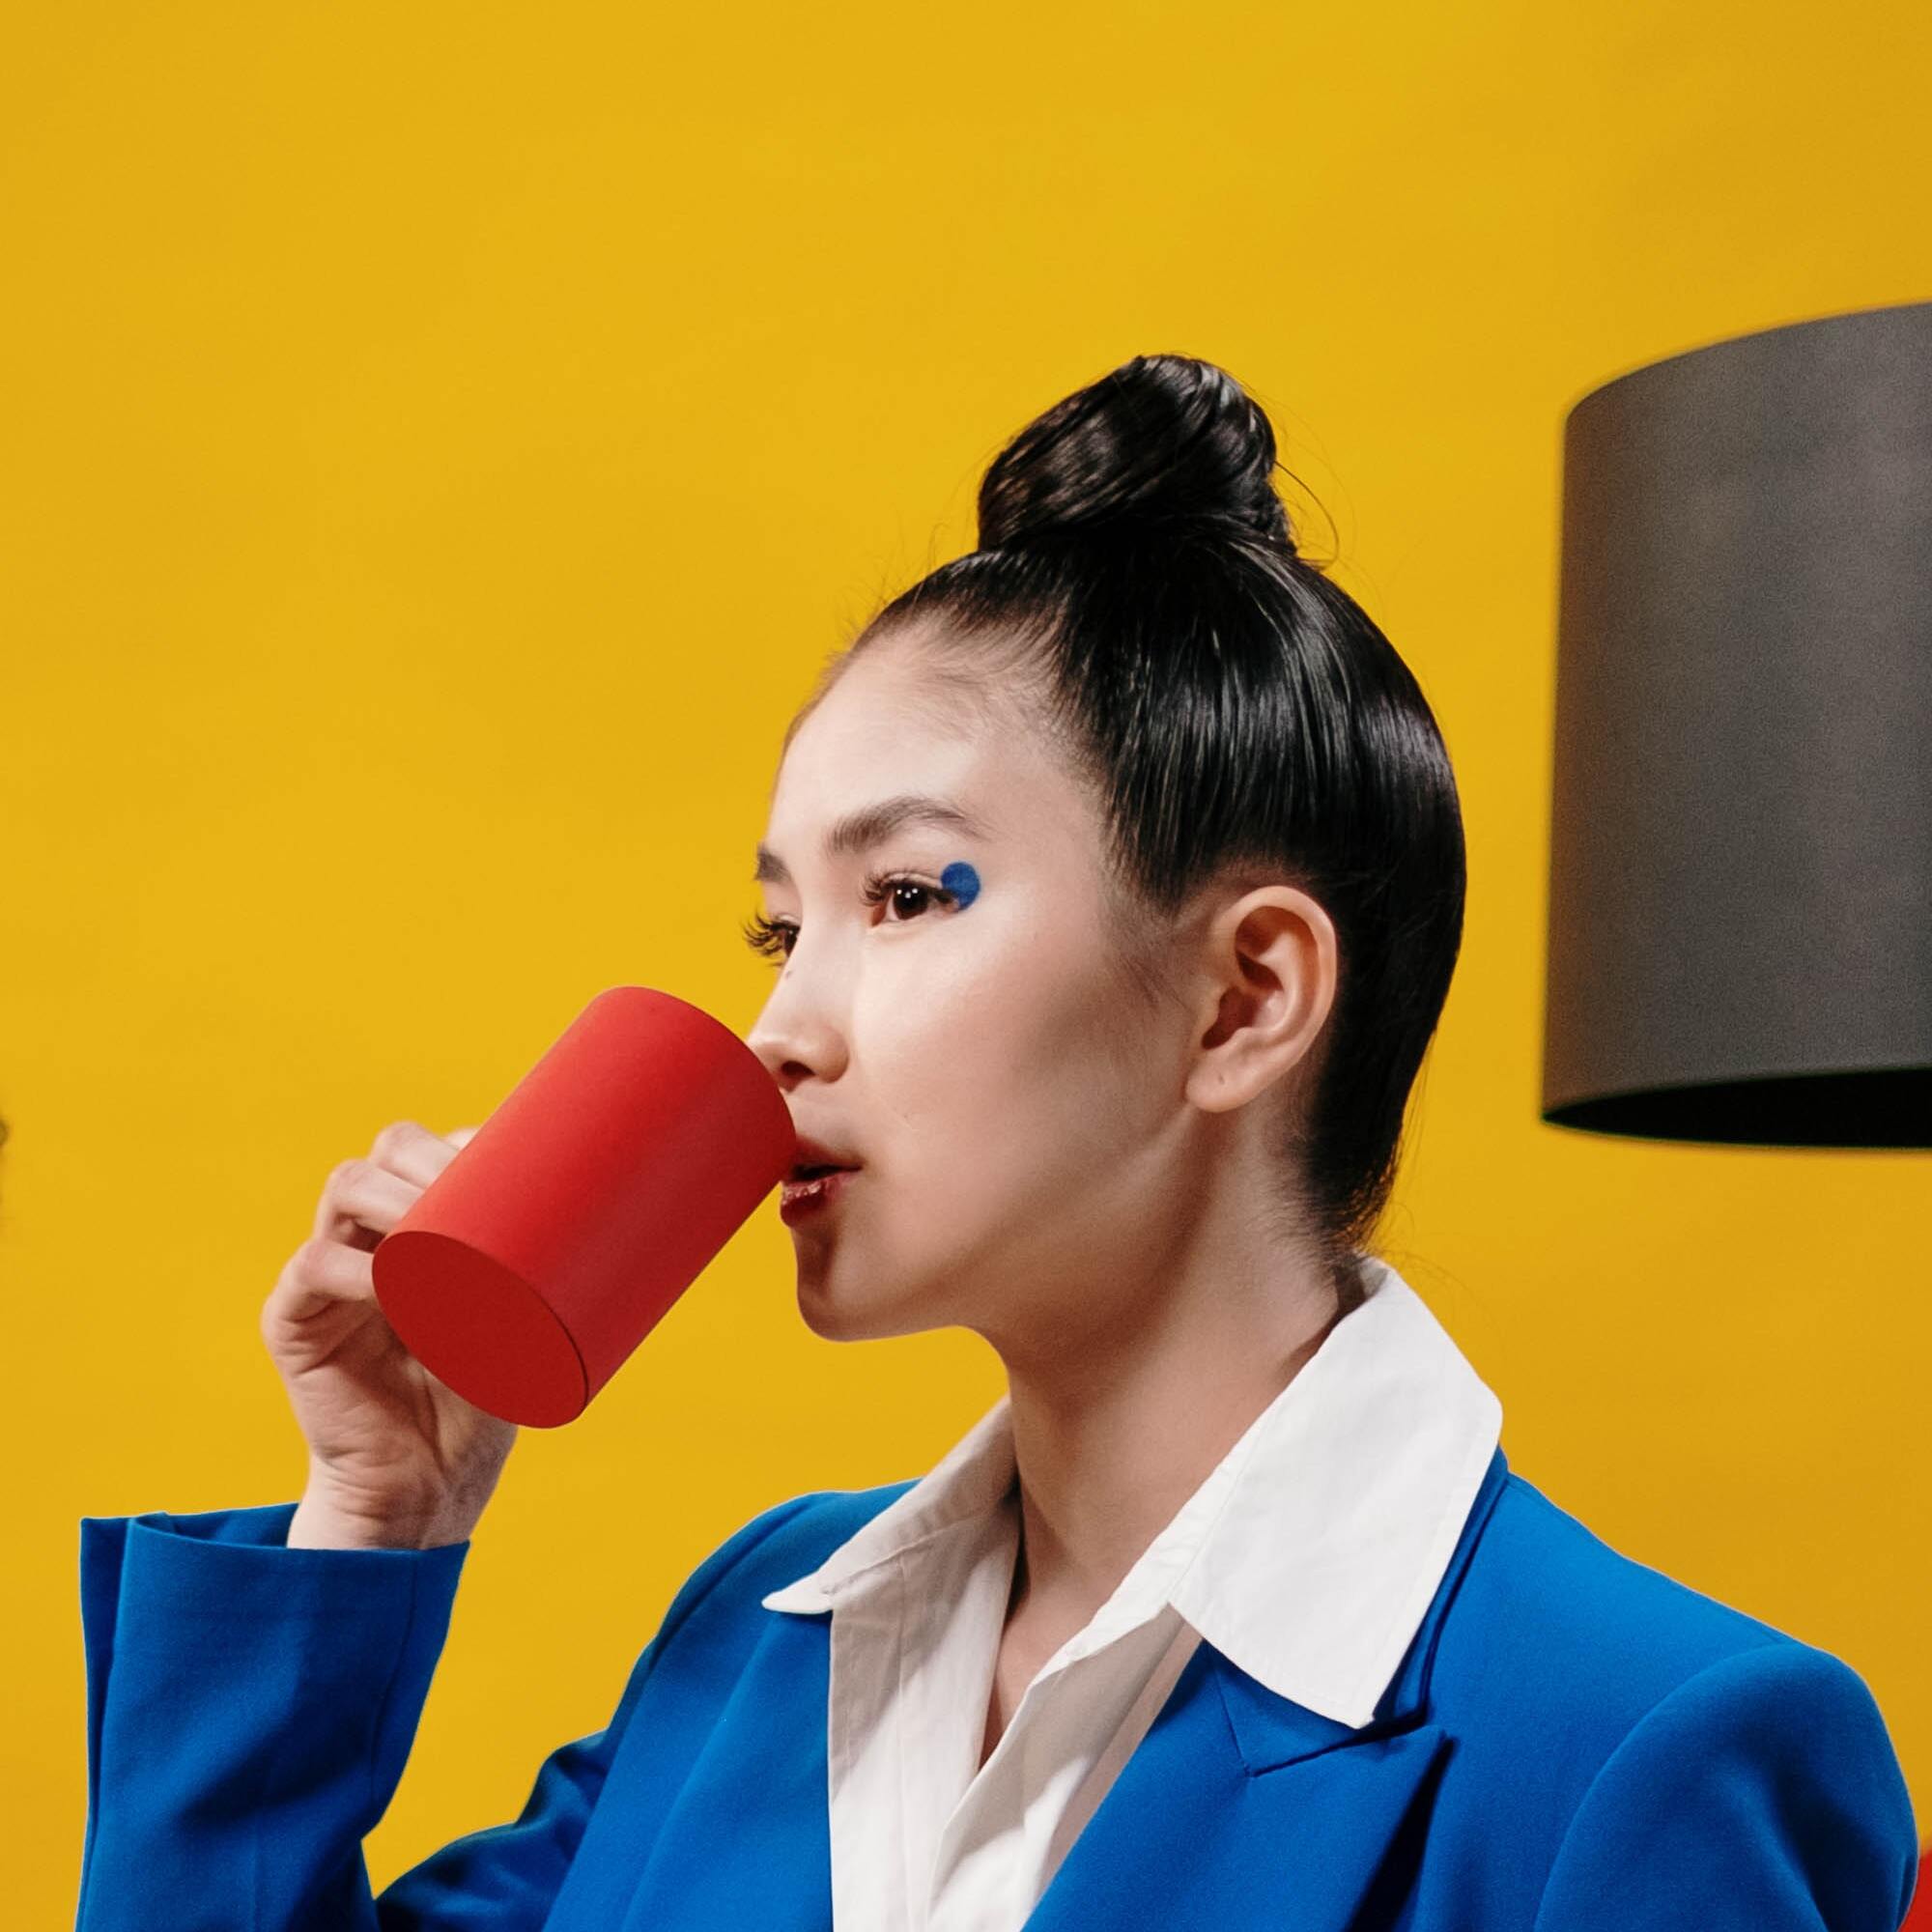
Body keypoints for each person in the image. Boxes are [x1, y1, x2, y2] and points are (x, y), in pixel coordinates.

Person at [73, 355, 1919, 1931]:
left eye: (908, 894)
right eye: (779, 927)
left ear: (1244, 999)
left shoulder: (1648, 1749)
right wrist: (373, 1515)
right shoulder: (753, 1644)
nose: (781, 1031)